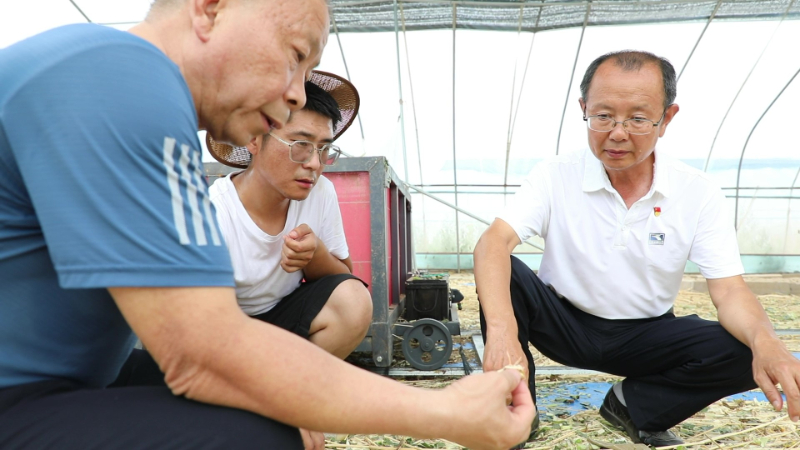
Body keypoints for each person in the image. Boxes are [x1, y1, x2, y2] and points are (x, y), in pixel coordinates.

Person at [0, 0, 534, 449]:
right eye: (295, 55)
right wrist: (444, 412)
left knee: (270, 408)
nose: (299, 93)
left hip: (77, 379)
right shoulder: (124, 81)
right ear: (210, 9)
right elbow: (201, 354)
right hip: (24, 397)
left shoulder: (111, 74)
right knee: (259, 435)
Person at [473, 49, 800, 447]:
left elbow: (729, 289)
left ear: (667, 119)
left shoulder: (696, 191)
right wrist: (503, 334)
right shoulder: (555, 175)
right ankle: (518, 412)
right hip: (563, 323)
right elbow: (493, 242)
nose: (617, 132)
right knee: (504, 269)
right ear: (583, 109)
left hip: (646, 335)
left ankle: (632, 405)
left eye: (638, 118)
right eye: (603, 115)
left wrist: (767, 340)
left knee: (744, 349)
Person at [206, 72, 371, 362]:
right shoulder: (214, 213)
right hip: (224, 334)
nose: (315, 164)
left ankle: (287, 394)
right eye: (301, 145)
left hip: (285, 321)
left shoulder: (321, 193)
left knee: (354, 301)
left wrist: (316, 254)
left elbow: (344, 277)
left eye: (323, 149)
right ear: (254, 140)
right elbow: (195, 322)